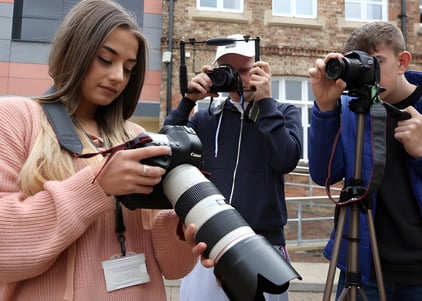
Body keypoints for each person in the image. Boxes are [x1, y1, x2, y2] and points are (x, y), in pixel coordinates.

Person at [0, 1, 213, 300]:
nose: (118, 77)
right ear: (75, 51)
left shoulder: (137, 136)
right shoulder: (14, 118)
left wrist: (182, 226)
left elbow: (171, 267)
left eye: (128, 68)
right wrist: (96, 186)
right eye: (105, 59)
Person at [308, 21, 422, 301]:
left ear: (402, 61)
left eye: (377, 62)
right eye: (359, 64)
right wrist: (325, 109)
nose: (368, 73)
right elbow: (324, 174)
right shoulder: (353, 110)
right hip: (363, 269)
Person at [164, 34, 303, 300]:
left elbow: (286, 159)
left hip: (264, 245)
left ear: (260, 69)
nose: (238, 79)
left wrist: (265, 103)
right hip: (209, 242)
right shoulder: (206, 118)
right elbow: (167, 148)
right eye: (229, 71)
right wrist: (188, 101)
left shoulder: (283, 112)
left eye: (244, 70)